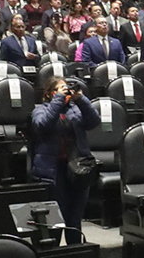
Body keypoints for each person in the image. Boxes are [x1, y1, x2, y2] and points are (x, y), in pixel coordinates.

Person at [28, 76, 100, 246]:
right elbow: (43, 124)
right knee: (56, 218)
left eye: (66, 89)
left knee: (75, 218)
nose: (65, 92)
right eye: (60, 89)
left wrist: (80, 99)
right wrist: (58, 100)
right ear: (49, 94)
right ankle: (55, 255)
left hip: (78, 169)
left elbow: (94, 121)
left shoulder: (75, 109)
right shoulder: (40, 110)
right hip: (53, 171)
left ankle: (74, 253)